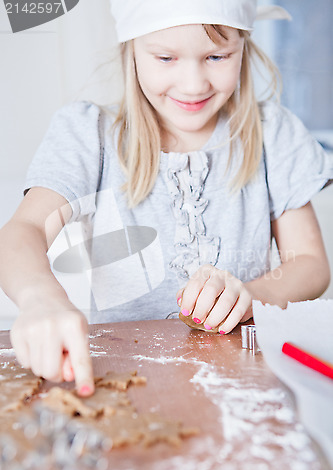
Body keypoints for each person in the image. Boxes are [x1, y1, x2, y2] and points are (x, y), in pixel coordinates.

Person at [0, 0, 332, 396]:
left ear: (244, 46)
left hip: (244, 388)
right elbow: (26, 229)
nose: (193, 84)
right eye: (165, 57)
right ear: (132, 53)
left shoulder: (272, 134)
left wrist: (251, 297)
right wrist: (40, 297)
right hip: (127, 384)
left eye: (216, 56)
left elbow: (309, 263)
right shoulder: (91, 134)